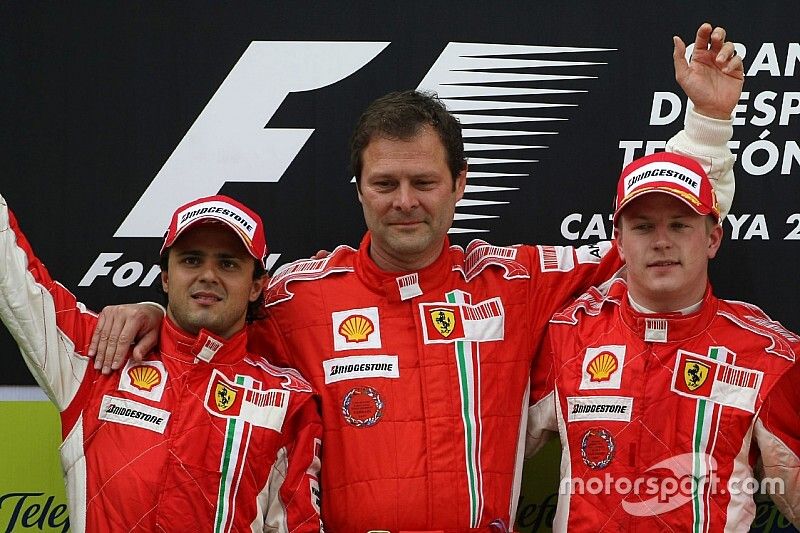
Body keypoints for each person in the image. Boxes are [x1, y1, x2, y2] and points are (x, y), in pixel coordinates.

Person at [88, 23, 743, 532]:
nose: (405, 200)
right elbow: (214, 328)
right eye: (386, 183)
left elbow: (657, 242)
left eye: (424, 181)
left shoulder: (513, 281)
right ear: (360, 190)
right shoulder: (297, 294)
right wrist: (156, 310)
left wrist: (707, 128)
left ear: (459, 185)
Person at [0, 194, 323, 532]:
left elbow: (296, 525)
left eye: (228, 263)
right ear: (166, 277)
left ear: (256, 285)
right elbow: (16, 280)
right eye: (191, 260)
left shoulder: (286, 400)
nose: (208, 275)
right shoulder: (102, 356)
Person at [526, 152, 800, 531]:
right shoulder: (568, 334)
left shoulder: (765, 353)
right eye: (642, 227)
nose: (661, 242)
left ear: (712, 238)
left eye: (679, 225)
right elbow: (489, 449)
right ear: (619, 243)